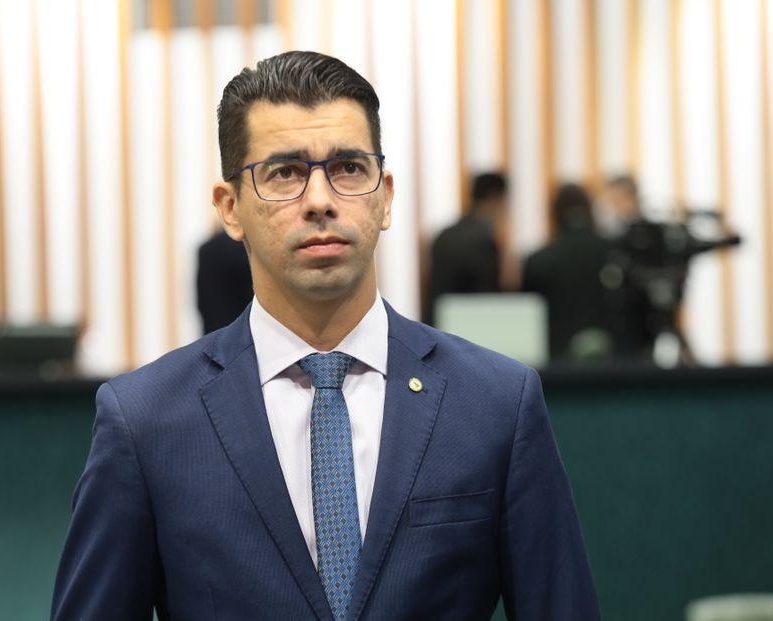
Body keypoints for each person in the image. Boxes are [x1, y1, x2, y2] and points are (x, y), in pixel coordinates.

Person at [52, 51, 599, 620]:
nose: (319, 200)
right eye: (284, 173)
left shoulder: (495, 402)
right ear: (230, 208)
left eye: (349, 168)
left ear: (385, 196)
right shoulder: (146, 421)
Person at [522, 184, 617, 361]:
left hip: (556, 365)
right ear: (590, 211)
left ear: (554, 215)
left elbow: (529, 320)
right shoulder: (616, 254)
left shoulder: (538, 261)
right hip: (616, 365)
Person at [425, 172, 509, 326]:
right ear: (495, 199)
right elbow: (489, 299)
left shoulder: (444, 235)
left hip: (436, 325)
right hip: (469, 328)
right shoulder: (484, 241)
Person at [196, 229, 253, 333]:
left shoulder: (206, 249)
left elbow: (202, 302)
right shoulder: (247, 250)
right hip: (244, 329)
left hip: (214, 330)